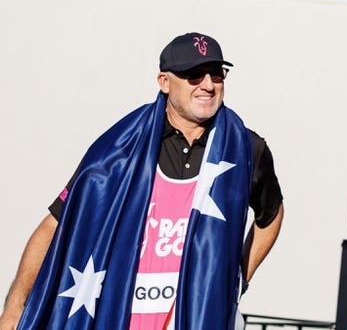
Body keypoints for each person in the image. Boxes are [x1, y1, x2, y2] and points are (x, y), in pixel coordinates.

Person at [1, 32, 284, 330]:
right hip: (117, 316)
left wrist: (237, 279)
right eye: (193, 75)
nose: (208, 85)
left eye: (217, 74)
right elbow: (56, 224)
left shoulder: (246, 149)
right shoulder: (117, 150)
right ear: (164, 82)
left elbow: (272, 214)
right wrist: (15, 304)